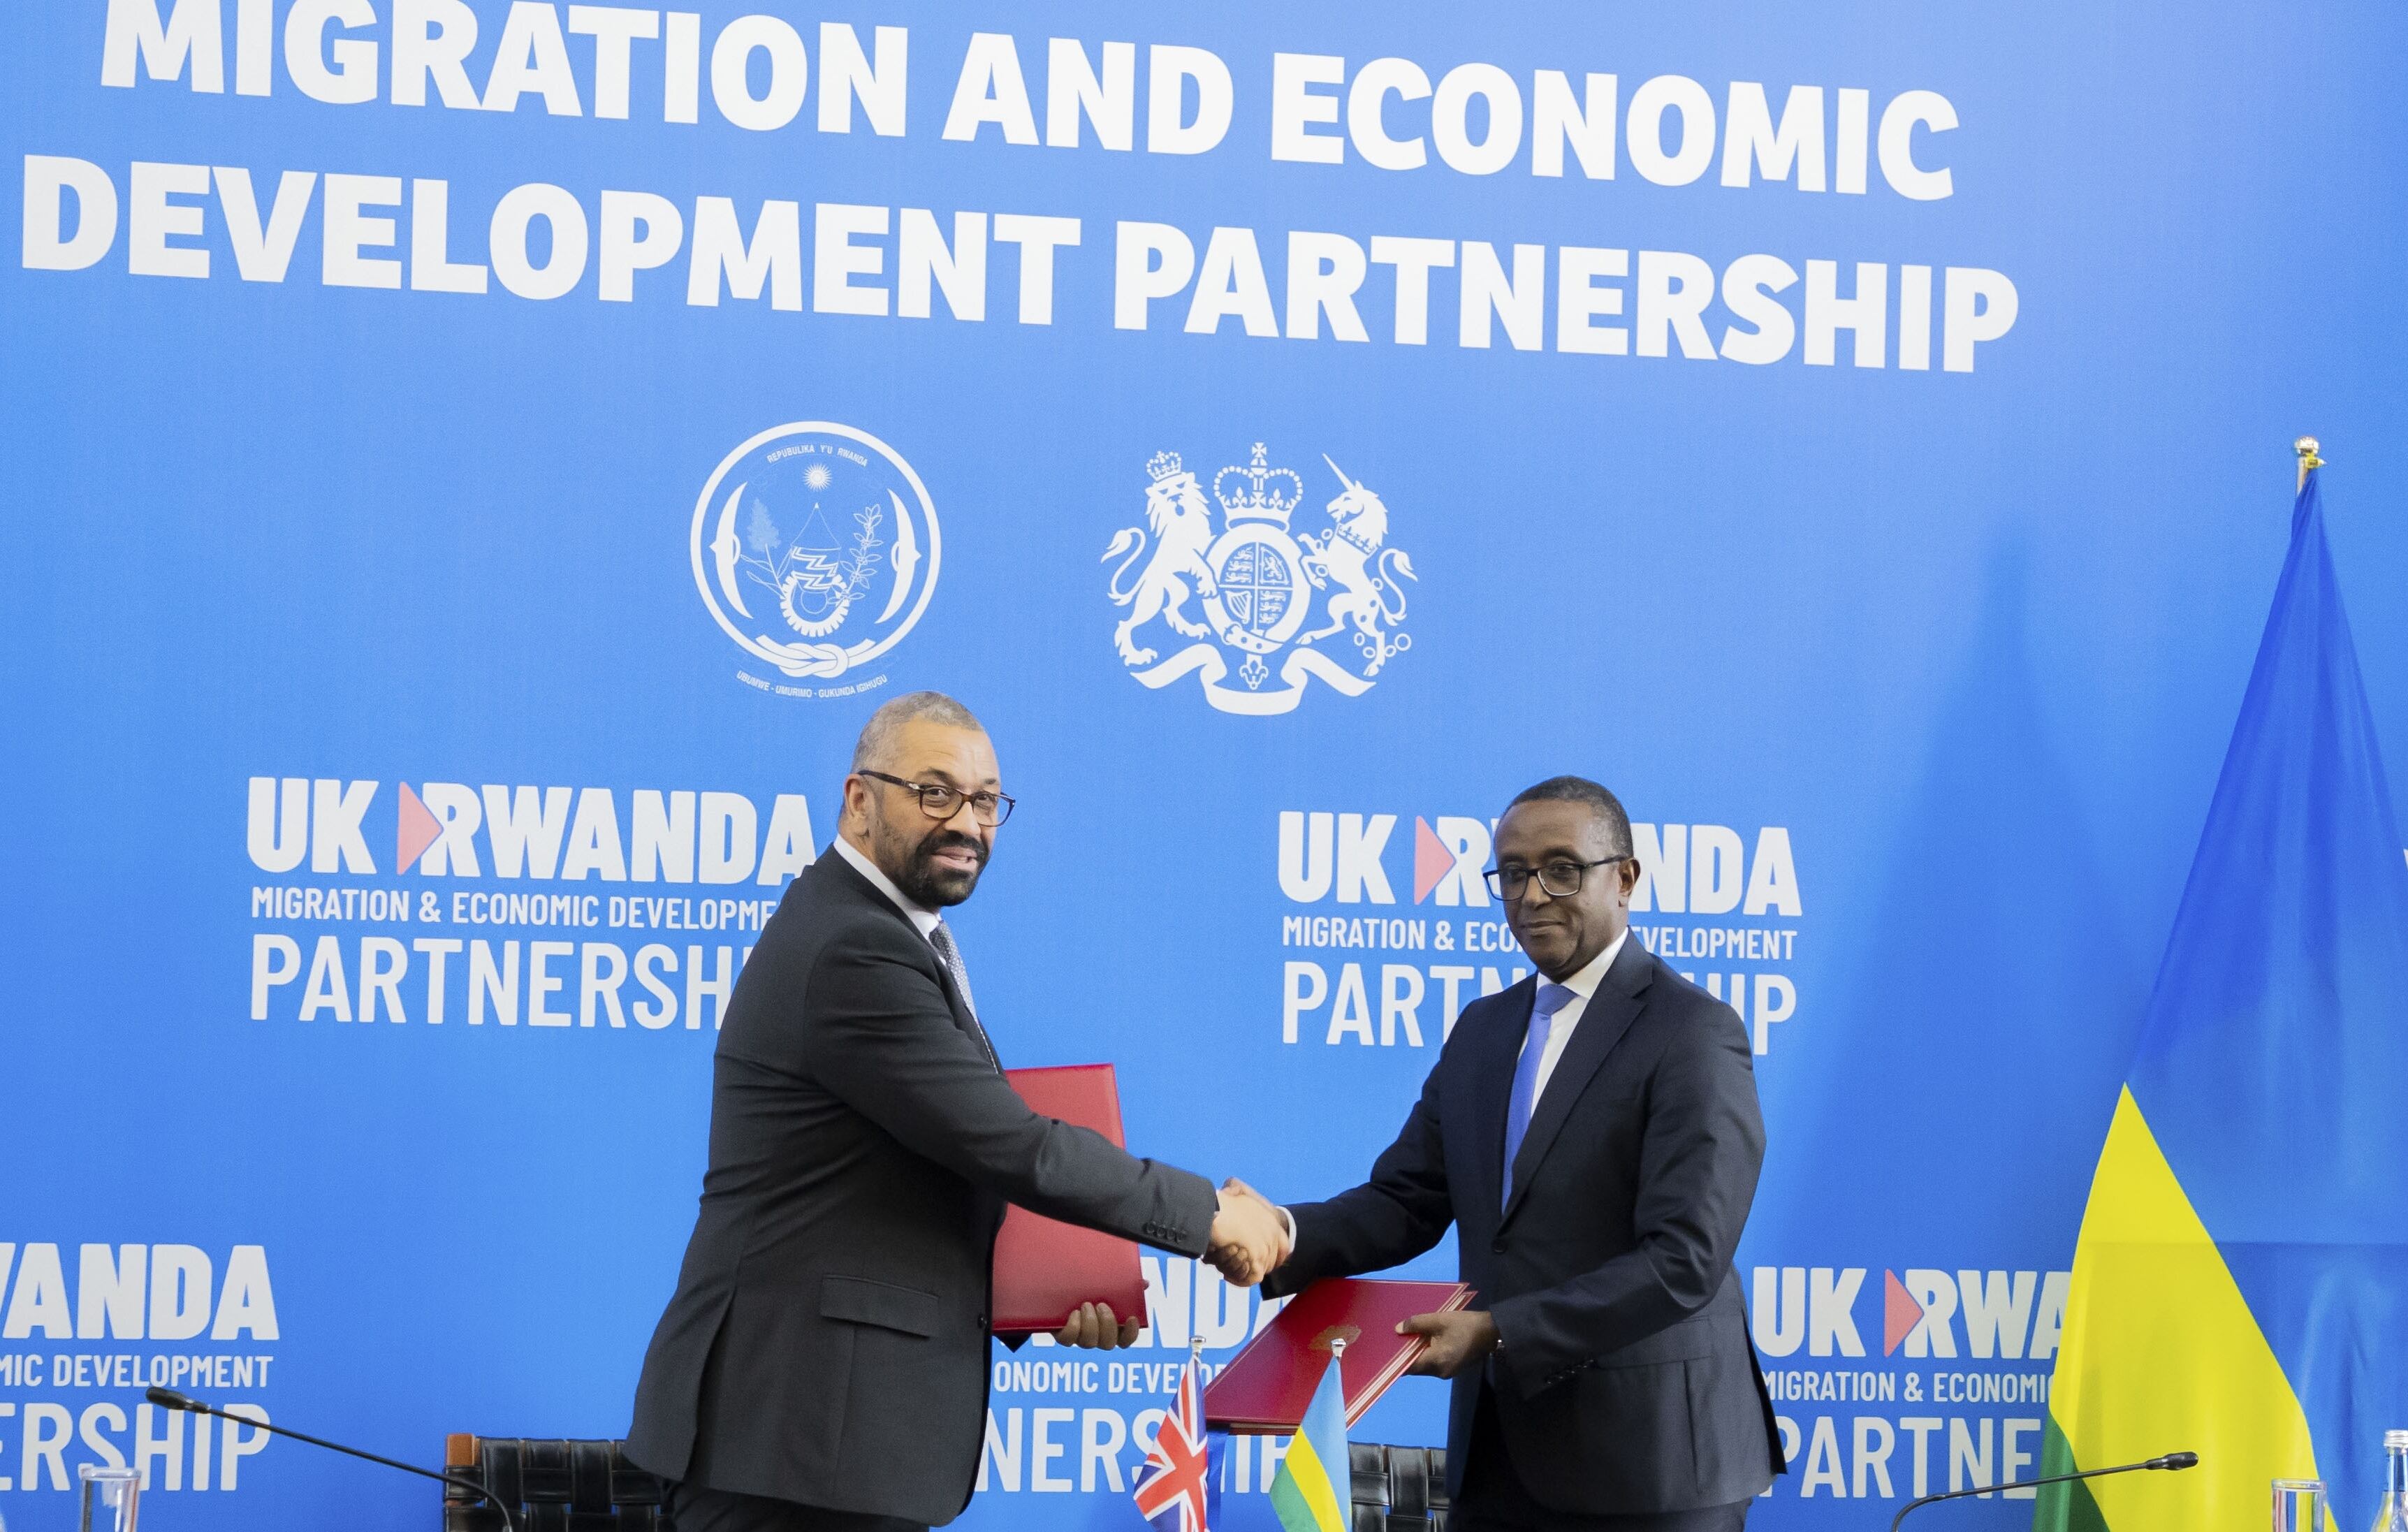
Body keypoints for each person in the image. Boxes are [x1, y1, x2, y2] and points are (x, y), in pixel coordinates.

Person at [625, 691, 1287, 1532]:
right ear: (859, 800)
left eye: (985, 801)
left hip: (822, 1444)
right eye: (935, 793)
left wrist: (1052, 1293)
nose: (967, 824)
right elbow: (1010, 1145)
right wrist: (1209, 1217)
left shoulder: (891, 933)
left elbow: (915, 1172)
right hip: (790, 1446)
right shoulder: (854, 946)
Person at [1255, 776, 1784, 1532]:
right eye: (1511, 873)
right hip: (1498, 1457)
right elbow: (1405, 1201)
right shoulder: (1483, 1029)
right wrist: (1278, 1234)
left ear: (1624, 878)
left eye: (1562, 869)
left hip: (1650, 1464)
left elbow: (1685, 1259)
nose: (1532, 895)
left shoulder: (1692, 1031)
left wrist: (1499, 1331)